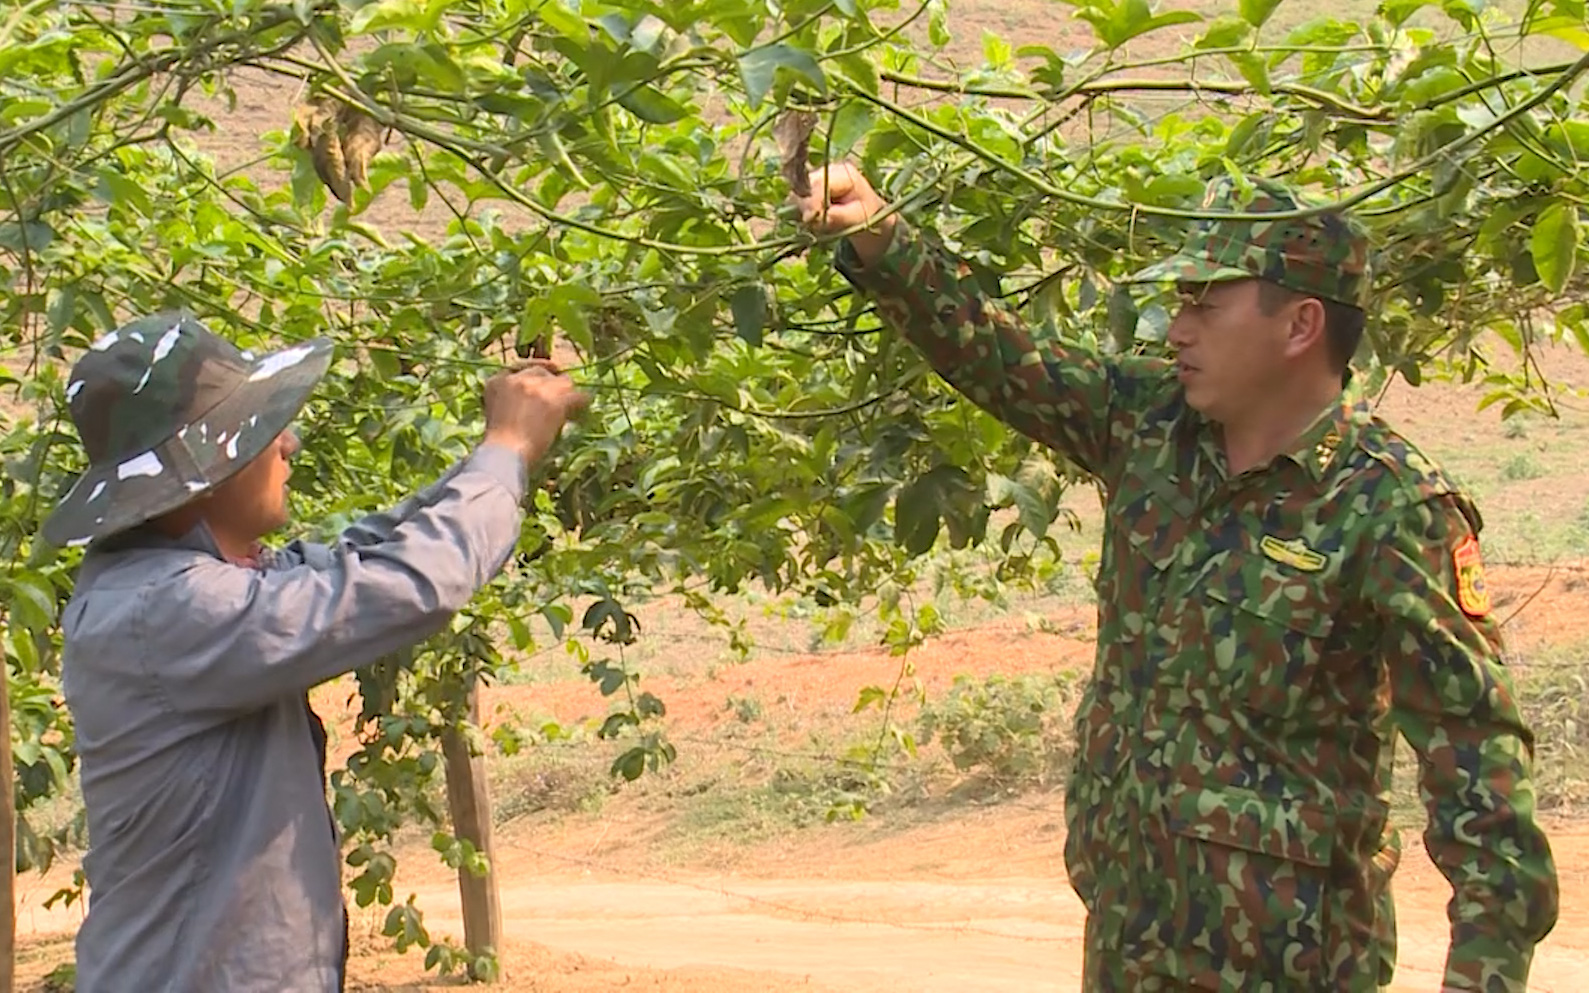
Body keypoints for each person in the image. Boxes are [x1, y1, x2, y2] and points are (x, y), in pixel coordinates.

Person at [795, 165, 1559, 991]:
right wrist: (879, 234)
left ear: (1299, 323)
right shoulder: (1146, 424)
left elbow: (1478, 773)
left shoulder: (1392, 506)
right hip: (1128, 937)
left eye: (1203, 303)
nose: (1174, 327)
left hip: (1291, 965)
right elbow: (993, 351)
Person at [42, 311, 587, 992]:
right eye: (263, 430)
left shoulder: (183, 585)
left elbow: (364, 556)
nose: (288, 443)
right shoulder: (172, 610)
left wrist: (494, 454)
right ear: (209, 469)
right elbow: (408, 585)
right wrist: (506, 447)